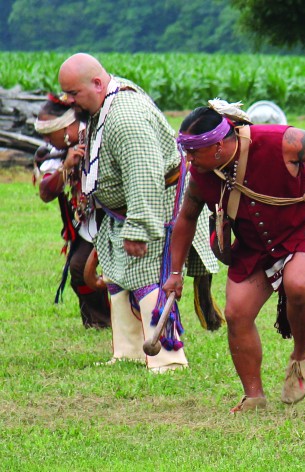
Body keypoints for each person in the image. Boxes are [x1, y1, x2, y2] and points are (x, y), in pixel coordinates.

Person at [163, 103, 305, 412]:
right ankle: (254, 396)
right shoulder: (201, 174)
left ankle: (300, 356)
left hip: (304, 231)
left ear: (220, 146)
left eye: (194, 152)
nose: (189, 160)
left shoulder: (280, 142)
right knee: (236, 312)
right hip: (254, 245)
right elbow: (186, 219)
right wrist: (174, 273)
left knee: (298, 284)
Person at [58, 53, 217, 373]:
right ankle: (128, 352)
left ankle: (167, 358)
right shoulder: (106, 104)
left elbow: (143, 175)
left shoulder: (126, 118)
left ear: (98, 83)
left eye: (73, 93)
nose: (68, 100)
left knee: (150, 283)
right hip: (122, 213)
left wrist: (138, 228)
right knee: (119, 280)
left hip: (150, 210)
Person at [33, 95, 111, 329]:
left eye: (51, 132)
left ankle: (133, 320)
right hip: (88, 220)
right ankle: (99, 322)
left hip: (119, 215)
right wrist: (66, 167)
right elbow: (46, 192)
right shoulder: (55, 152)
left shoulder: (102, 135)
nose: (46, 139)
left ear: (68, 127)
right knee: (79, 268)